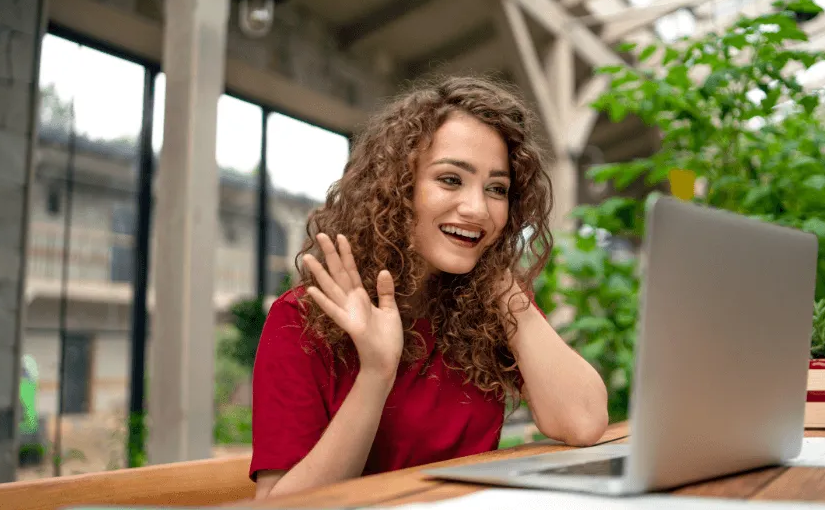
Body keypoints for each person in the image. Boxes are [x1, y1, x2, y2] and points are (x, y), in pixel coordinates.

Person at [250, 75, 610, 499]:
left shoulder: (491, 303)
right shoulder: (301, 319)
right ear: (396, 189)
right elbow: (281, 506)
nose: (477, 208)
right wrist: (377, 371)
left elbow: (583, 422)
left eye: (497, 189)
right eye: (451, 180)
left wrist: (500, 279)